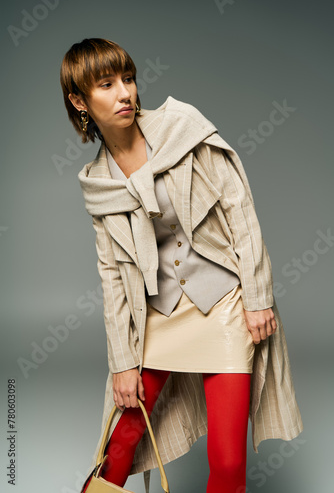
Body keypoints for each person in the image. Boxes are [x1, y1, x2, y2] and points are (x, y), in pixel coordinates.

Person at [60, 38, 303, 493]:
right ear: (79, 101)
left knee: (229, 463)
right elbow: (112, 276)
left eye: (128, 79)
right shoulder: (97, 184)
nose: (125, 94)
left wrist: (257, 298)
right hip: (158, 315)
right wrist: (122, 363)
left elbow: (239, 209)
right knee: (120, 443)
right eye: (107, 85)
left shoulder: (181, 129)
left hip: (223, 303)